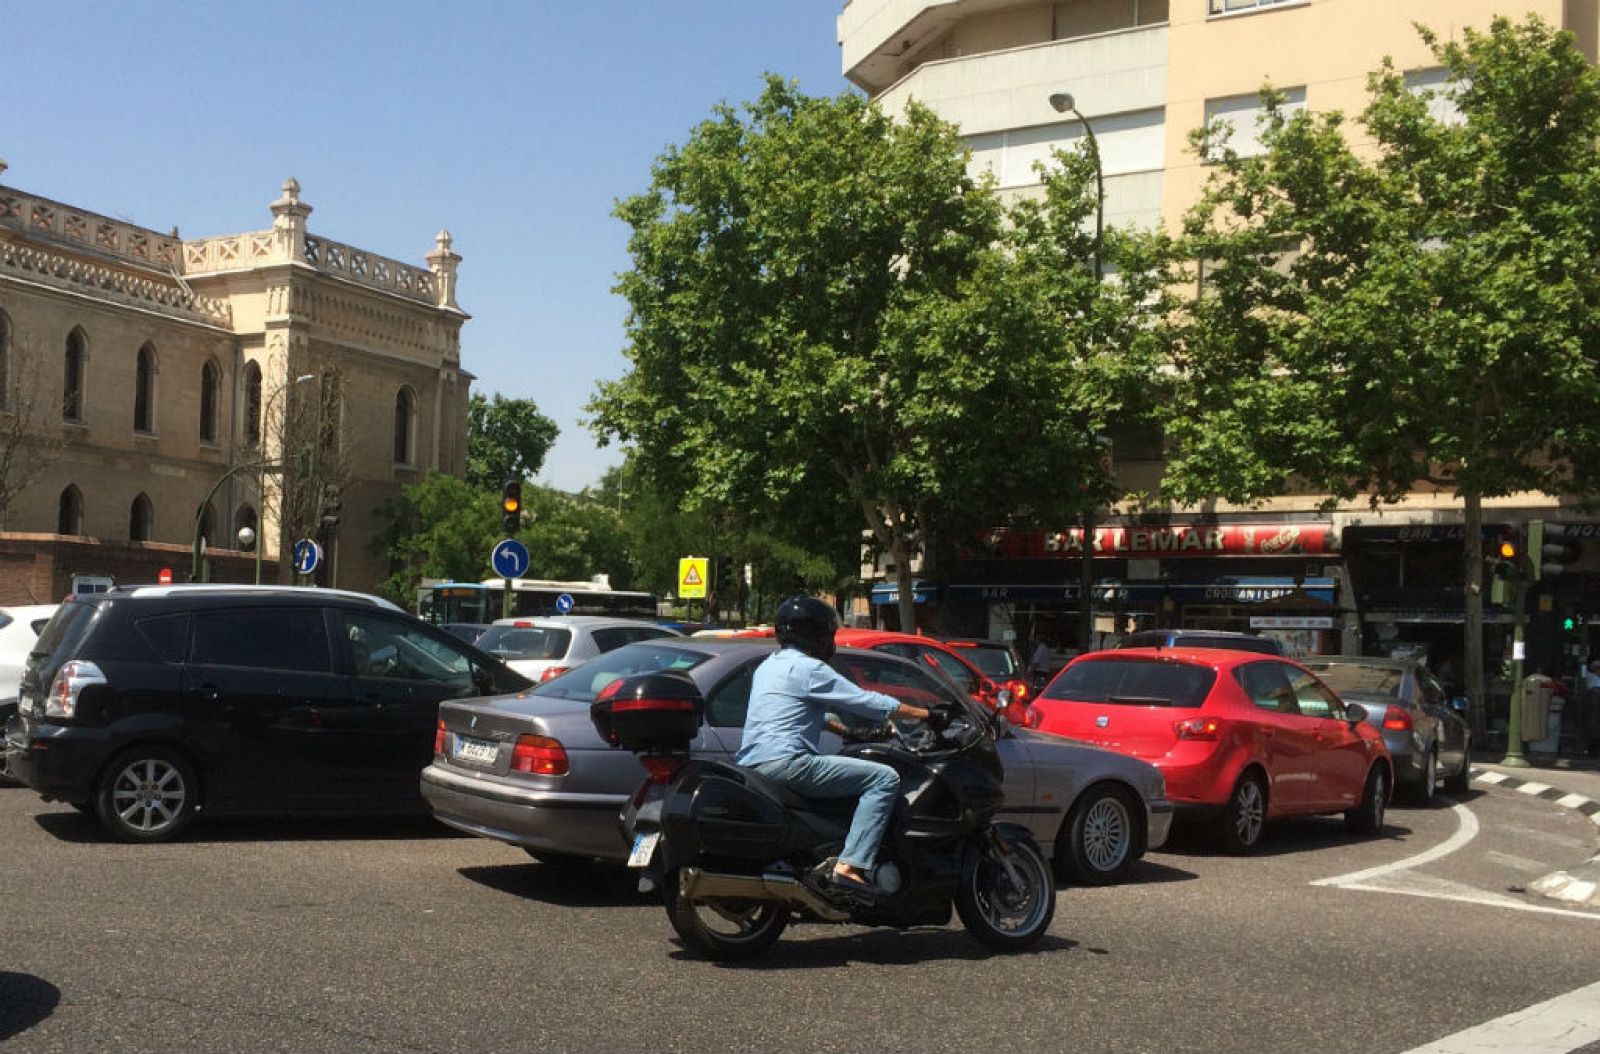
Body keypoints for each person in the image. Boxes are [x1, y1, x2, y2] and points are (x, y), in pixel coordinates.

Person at [736, 595, 930, 896]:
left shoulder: (768, 666)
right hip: (789, 763)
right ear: (816, 634)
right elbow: (866, 701)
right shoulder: (810, 669)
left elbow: (790, 710)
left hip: (753, 765)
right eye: (829, 632)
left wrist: (840, 728)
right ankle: (851, 866)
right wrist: (926, 714)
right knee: (884, 778)